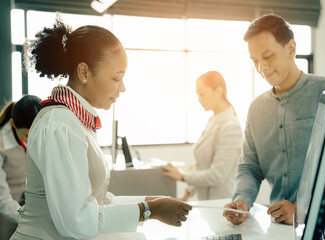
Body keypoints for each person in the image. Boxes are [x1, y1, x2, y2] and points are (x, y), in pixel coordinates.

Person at [10, 16, 191, 240]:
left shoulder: (73, 120)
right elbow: (77, 220)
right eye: (116, 78)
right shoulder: (60, 124)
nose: (122, 88)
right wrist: (148, 211)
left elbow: (97, 202)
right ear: (84, 73)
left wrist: (148, 202)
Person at [223, 13, 325, 225]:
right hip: (278, 228)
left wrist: (306, 209)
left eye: (267, 56)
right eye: (255, 60)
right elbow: (250, 167)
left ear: (291, 49)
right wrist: (242, 199)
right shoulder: (256, 109)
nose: (262, 68)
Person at [162, 71, 243, 201]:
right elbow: (200, 166)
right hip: (206, 201)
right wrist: (186, 195)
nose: (199, 99)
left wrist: (183, 176)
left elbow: (218, 175)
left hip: (221, 201)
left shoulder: (230, 126)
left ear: (218, 91)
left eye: (202, 93)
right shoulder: (212, 121)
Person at [0, 95, 41, 240]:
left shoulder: (39, 135)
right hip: (7, 212)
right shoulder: (1, 145)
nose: (32, 140)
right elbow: (2, 197)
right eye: (27, 135)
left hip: (30, 207)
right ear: (12, 123)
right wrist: (24, 218)